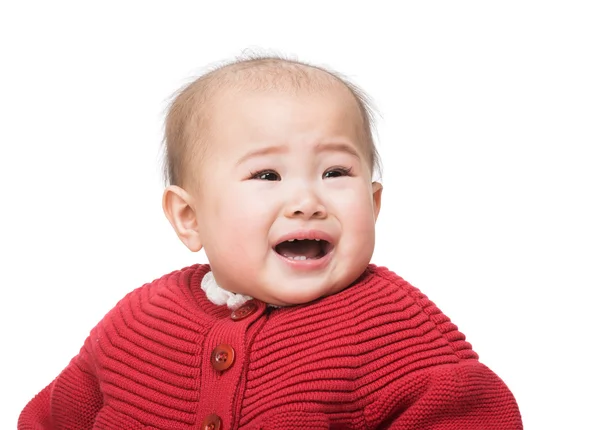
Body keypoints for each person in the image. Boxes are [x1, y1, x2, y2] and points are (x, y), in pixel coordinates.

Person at [19, 55, 522, 429]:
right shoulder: (138, 321)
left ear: (375, 204)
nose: (306, 200)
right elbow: (54, 415)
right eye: (266, 174)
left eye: (335, 171)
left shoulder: (393, 326)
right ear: (189, 217)